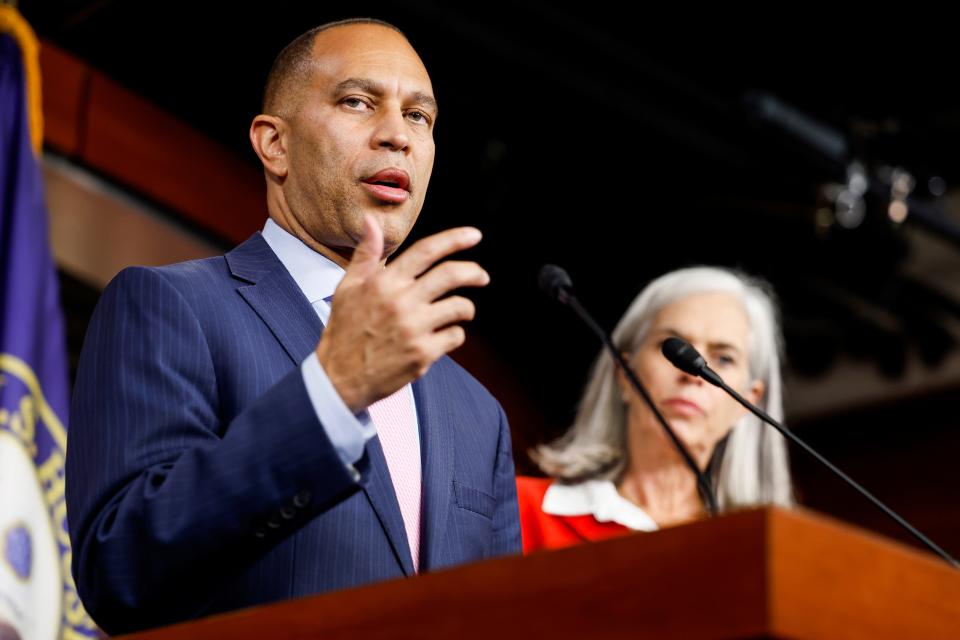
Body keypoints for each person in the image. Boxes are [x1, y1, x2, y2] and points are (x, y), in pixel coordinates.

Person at [66, 18, 521, 634]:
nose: (397, 136)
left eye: (420, 117)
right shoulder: (173, 307)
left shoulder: (477, 412)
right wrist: (331, 397)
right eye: (358, 102)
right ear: (273, 143)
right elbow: (121, 567)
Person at [517, 266, 794, 553]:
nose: (691, 373)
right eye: (670, 347)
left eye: (723, 358)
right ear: (623, 374)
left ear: (747, 402)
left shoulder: (762, 550)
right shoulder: (519, 510)